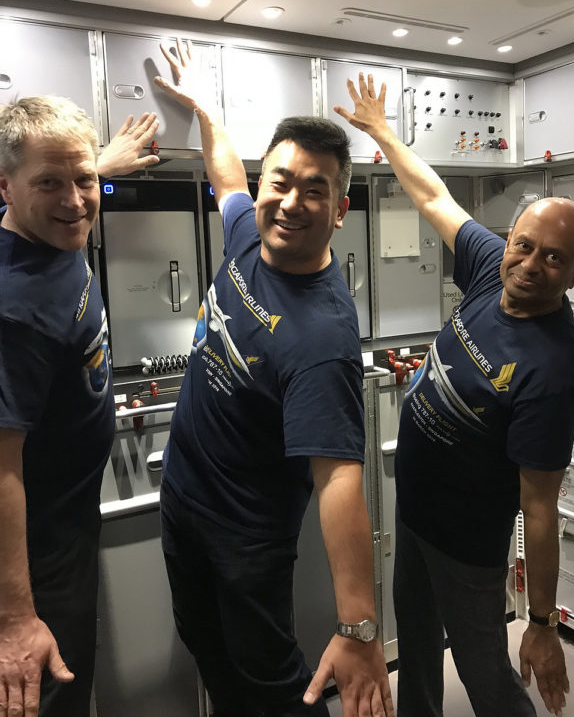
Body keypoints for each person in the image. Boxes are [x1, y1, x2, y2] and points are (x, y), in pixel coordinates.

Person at [334, 73, 574, 717]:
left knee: (484, 673)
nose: (531, 265)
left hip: (467, 546)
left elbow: (538, 507)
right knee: (418, 649)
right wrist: (384, 133)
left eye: (554, 259)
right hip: (417, 515)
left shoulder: (554, 368)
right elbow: (434, 196)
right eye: (525, 245)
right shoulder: (488, 266)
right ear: (509, 239)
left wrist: (539, 621)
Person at [153, 40, 394, 717]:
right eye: (280, 182)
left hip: (246, 534)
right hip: (186, 500)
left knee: (270, 682)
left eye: (314, 191)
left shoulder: (323, 335)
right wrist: (204, 105)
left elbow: (339, 478)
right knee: (205, 644)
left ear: (340, 212)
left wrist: (359, 627)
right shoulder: (245, 238)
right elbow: (227, 173)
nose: (290, 202)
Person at [0, 98, 160, 717]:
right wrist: (15, 616)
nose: (75, 201)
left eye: (85, 178)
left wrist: (102, 162)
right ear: (7, 188)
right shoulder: (13, 310)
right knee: (51, 698)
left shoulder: (51, 230)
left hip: (68, 520)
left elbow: (70, 191)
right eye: (50, 183)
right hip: (36, 556)